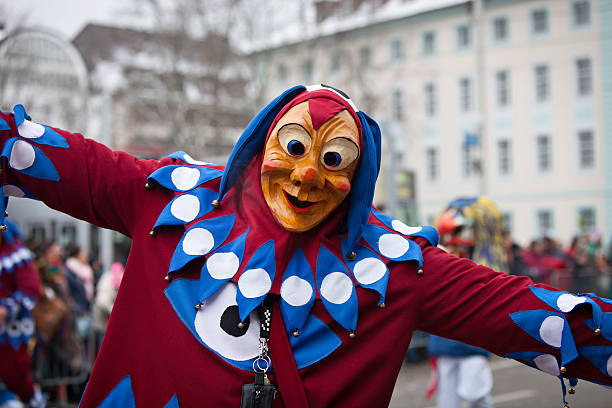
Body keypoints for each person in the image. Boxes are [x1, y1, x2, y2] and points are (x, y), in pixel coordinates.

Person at [0, 85, 611, 407]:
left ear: (361, 175)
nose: (306, 176)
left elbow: (543, 319)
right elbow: (42, 153)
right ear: (263, 141)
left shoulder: (394, 265)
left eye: (334, 159)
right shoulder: (170, 200)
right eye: (294, 146)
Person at [426, 197, 501, 408]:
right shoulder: (437, 259)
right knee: (447, 403)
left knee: (477, 395)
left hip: (473, 341)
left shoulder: (481, 261)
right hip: (443, 340)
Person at [0, 220, 45, 407]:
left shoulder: (17, 254)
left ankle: (33, 401)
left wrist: (6, 308)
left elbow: (31, 291)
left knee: (14, 374)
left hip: (11, 332)